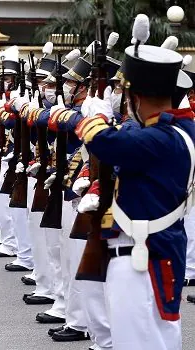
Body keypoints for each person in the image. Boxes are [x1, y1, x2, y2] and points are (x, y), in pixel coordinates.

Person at [71, 19, 195, 349]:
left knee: (141, 342)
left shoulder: (163, 139)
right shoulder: (163, 132)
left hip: (144, 259)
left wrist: (88, 118)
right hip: (141, 253)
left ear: (136, 97)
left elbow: (108, 144)